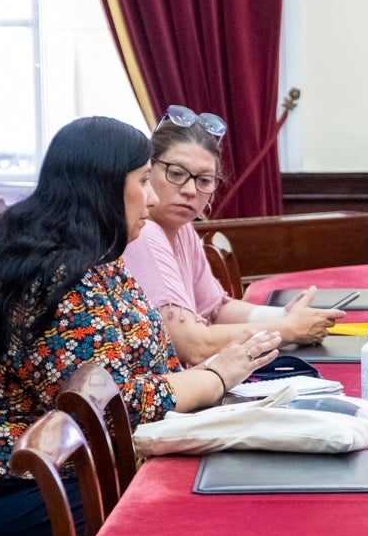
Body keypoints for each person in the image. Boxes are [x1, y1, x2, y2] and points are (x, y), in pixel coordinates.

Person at [0, 116, 282, 536]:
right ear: (102, 187)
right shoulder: (57, 279)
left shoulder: (100, 259)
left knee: (230, 481)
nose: (153, 197)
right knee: (201, 513)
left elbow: (145, 368)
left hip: (64, 466)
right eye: (145, 181)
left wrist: (221, 380)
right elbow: (112, 409)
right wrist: (214, 378)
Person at [122, 105, 344, 367]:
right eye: (177, 174)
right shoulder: (144, 233)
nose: (191, 190)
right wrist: (287, 329)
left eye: (204, 180)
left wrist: (283, 314)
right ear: (148, 173)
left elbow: (215, 311)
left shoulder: (183, 229)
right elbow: (191, 346)